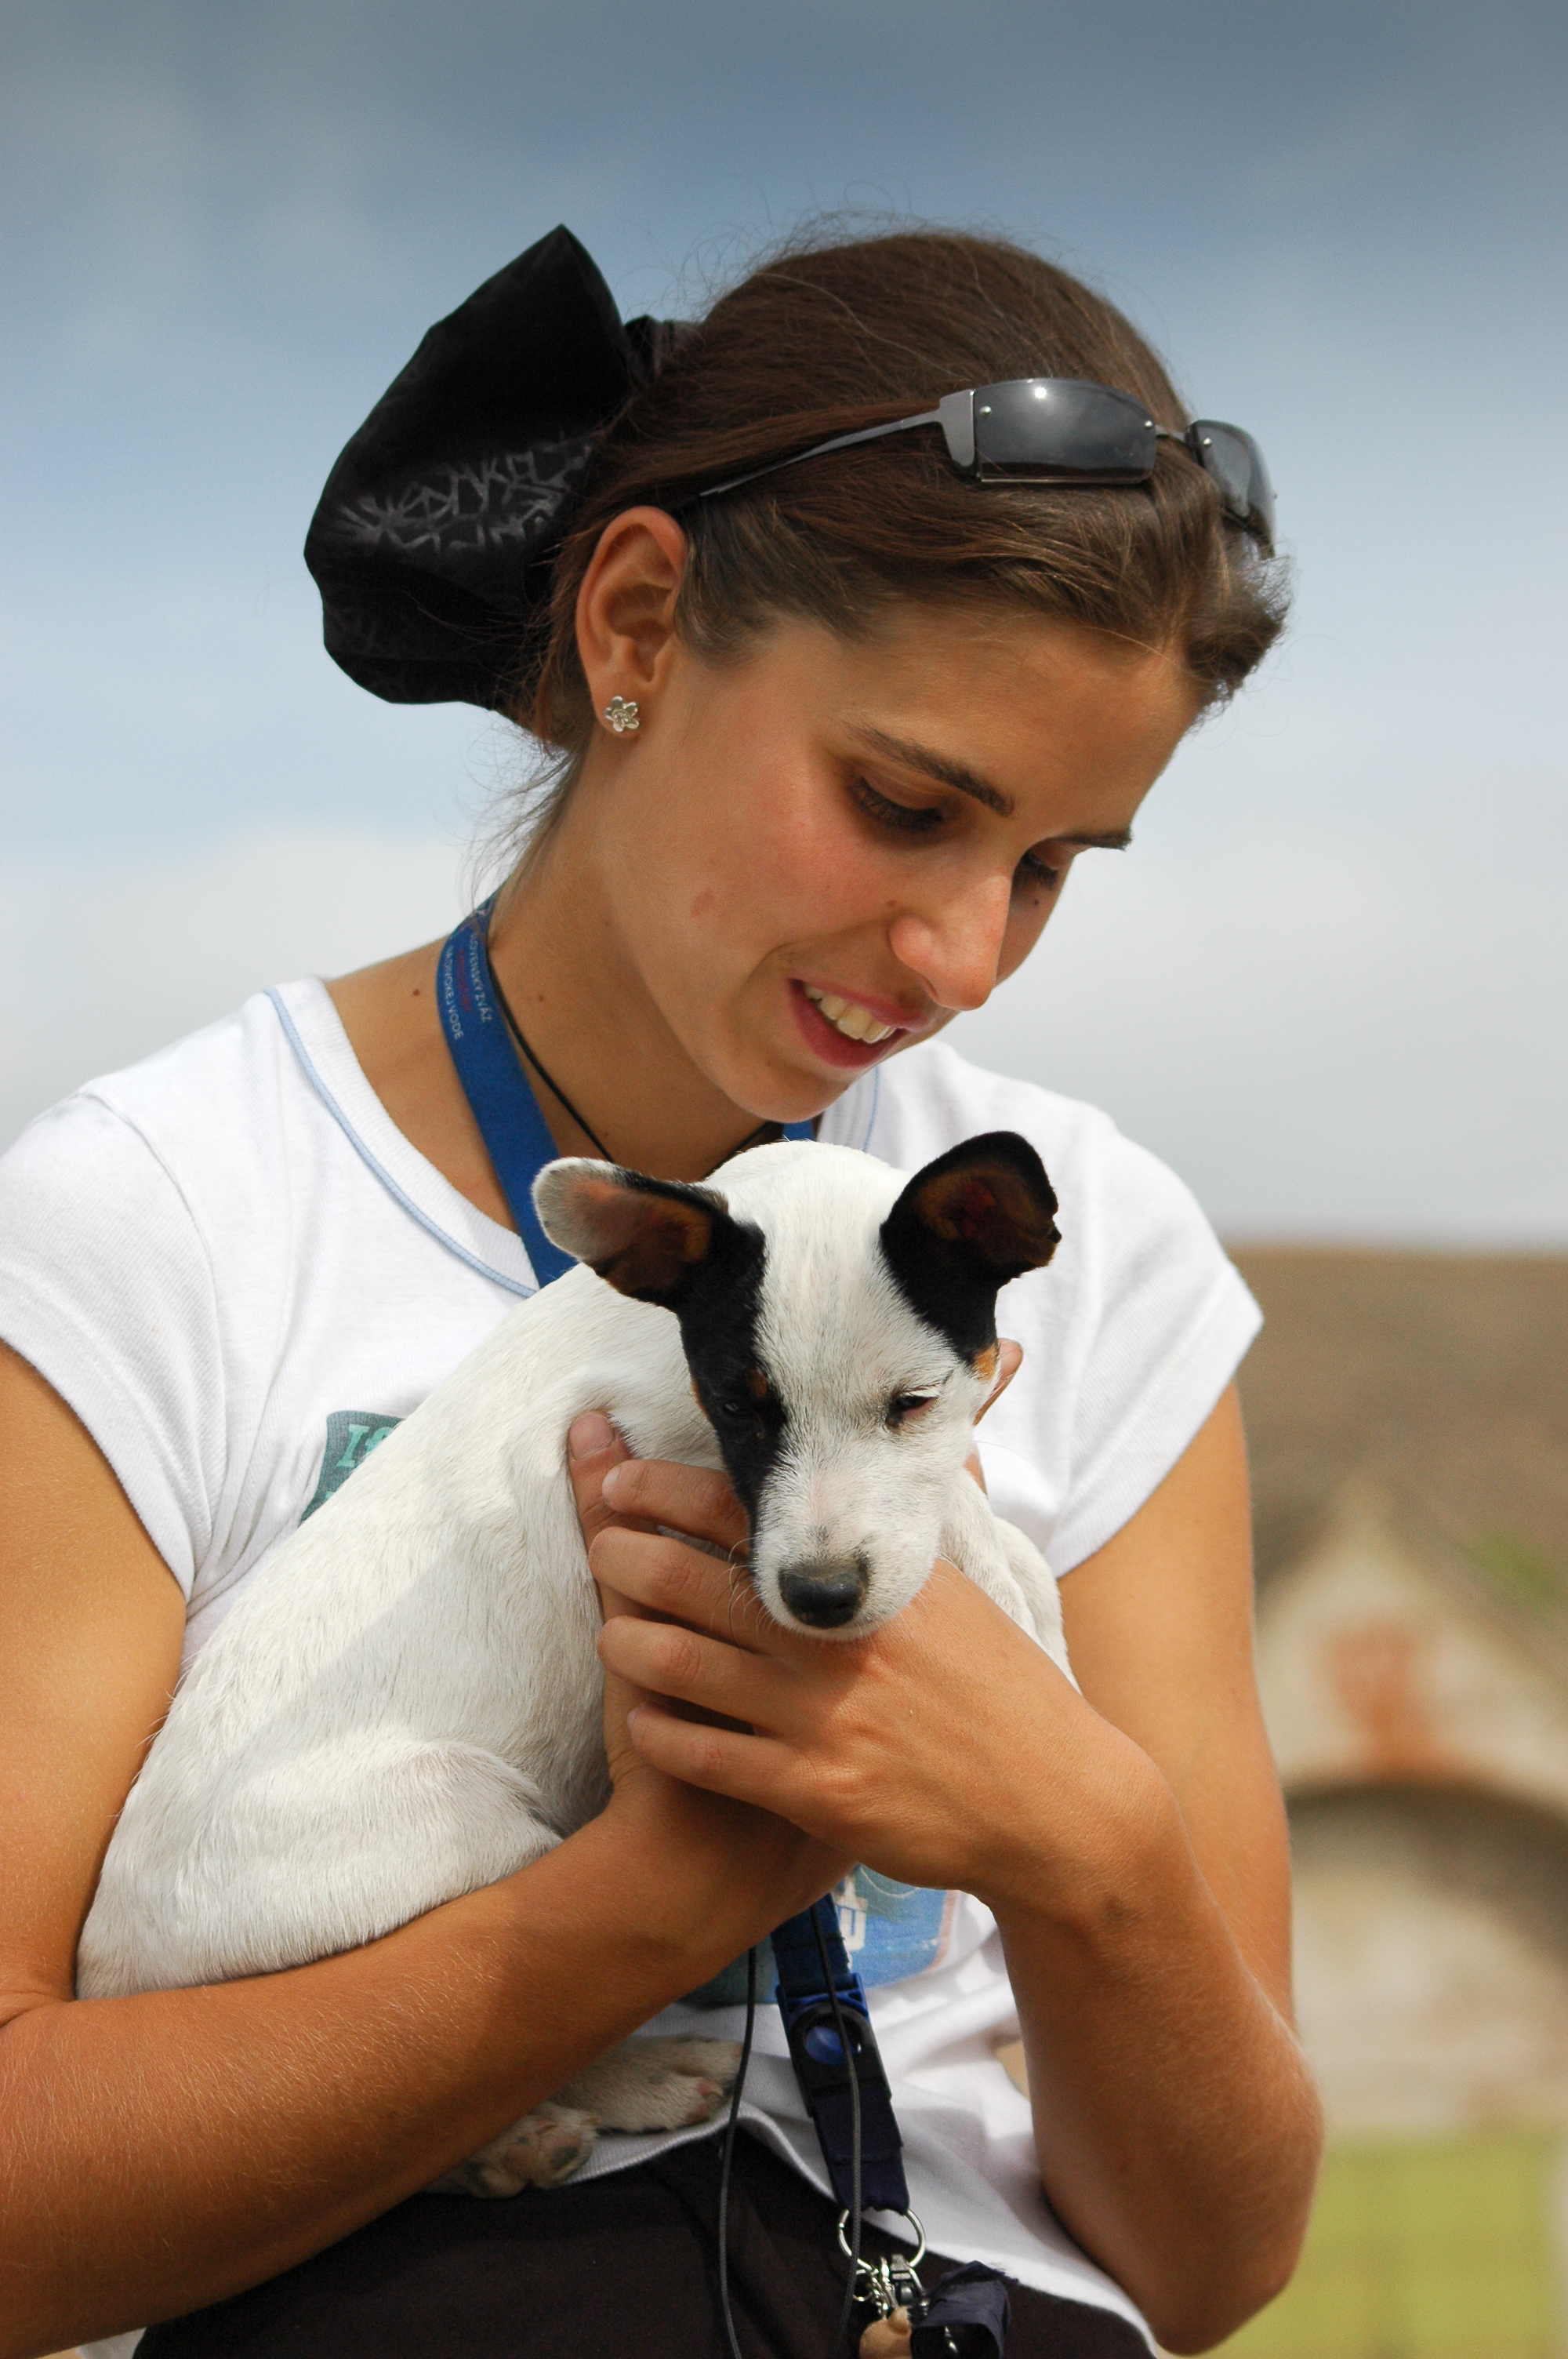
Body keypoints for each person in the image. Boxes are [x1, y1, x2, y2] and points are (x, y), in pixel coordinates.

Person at [0, 224, 1322, 2359]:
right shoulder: (151, 1226)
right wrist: (641, 1912)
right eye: (906, 805)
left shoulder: (1102, 1245)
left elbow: (1215, 2260)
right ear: (636, 622)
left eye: (1057, 864)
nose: (967, 958)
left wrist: (1088, 1842)